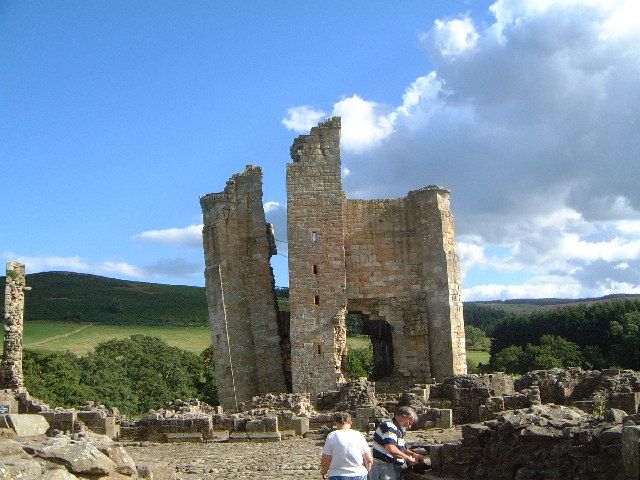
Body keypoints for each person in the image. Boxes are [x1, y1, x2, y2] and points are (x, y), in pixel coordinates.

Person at [369, 406, 424, 480]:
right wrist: (408, 458)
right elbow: (391, 449)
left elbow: (401, 449)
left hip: (392, 467)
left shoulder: (398, 429)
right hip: (384, 467)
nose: (410, 426)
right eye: (409, 422)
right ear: (403, 417)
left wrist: (413, 454)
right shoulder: (388, 426)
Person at [321, 411, 373, 480]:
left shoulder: (332, 436)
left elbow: (326, 460)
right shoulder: (359, 435)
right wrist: (368, 471)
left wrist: (324, 471)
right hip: (359, 474)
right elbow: (369, 459)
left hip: (337, 475)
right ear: (350, 423)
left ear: (336, 423)